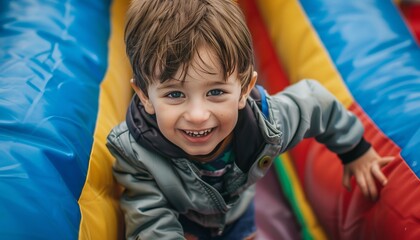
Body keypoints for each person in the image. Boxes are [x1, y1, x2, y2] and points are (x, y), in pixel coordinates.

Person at [106, 0, 394, 239]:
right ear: (144, 96)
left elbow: (317, 102)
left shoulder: (268, 124)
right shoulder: (136, 152)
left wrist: (355, 151)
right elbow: (150, 217)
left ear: (244, 89)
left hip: (236, 215)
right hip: (182, 222)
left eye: (216, 92)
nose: (197, 115)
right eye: (174, 95)